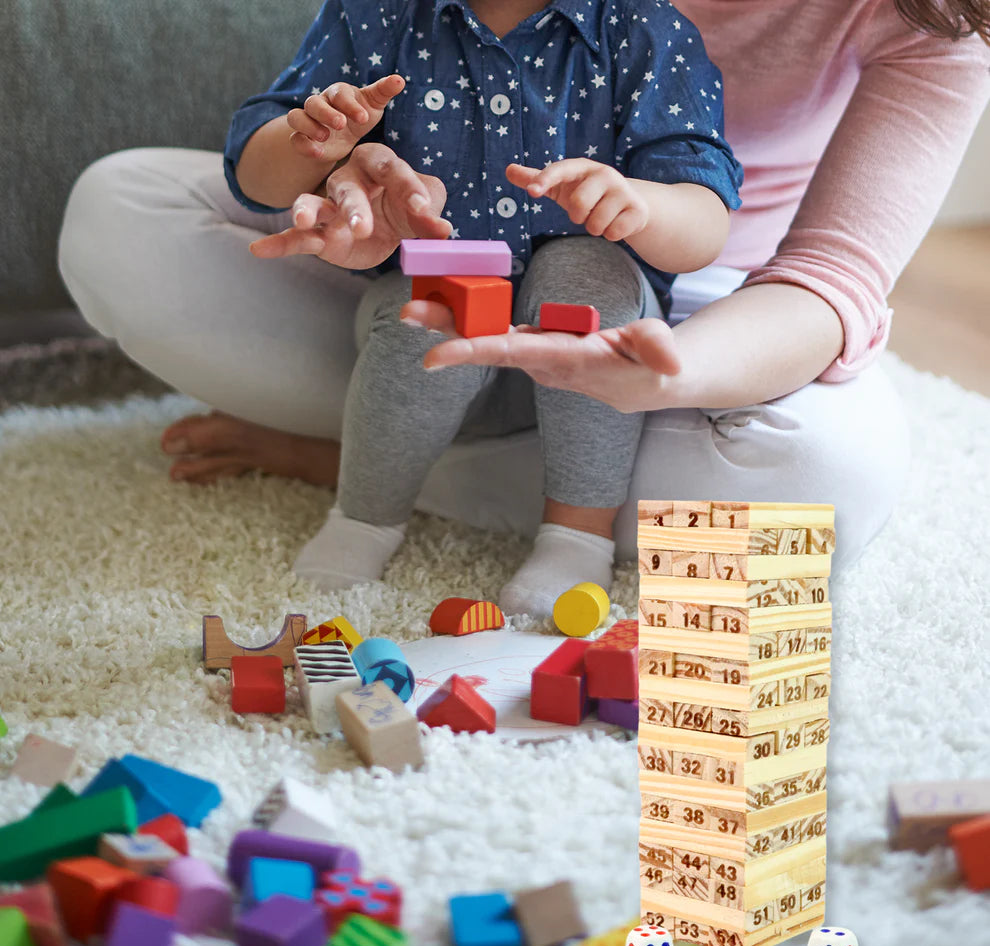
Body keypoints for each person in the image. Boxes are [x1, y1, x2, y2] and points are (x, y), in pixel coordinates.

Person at [58, 0, 990, 592]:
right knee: (119, 209)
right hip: (416, 269)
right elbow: (270, 154)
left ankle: (384, 465)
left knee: (817, 488)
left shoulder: (653, 33)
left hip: (694, 291)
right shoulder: (387, 15)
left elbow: (822, 281)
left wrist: (663, 370)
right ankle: (395, 471)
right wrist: (340, 167)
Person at [227, 0, 742, 613]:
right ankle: (364, 518)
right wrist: (310, 144)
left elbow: (707, 217)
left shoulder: (645, 29)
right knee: (445, 287)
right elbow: (255, 175)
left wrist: (645, 204)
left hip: (600, 380)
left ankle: (577, 535)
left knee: (584, 272)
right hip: (423, 350)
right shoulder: (376, 16)